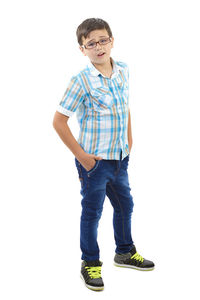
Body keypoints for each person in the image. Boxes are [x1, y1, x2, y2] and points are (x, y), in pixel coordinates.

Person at [53, 18, 154, 292]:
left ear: (112, 40)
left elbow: (125, 106)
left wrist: (129, 140)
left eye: (103, 40)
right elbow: (59, 121)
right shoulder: (81, 80)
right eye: (91, 43)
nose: (99, 47)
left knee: (125, 206)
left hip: (121, 158)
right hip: (94, 163)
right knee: (92, 212)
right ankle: (90, 262)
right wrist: (83, 157)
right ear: (82, 48)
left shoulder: (123, 70)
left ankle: (124, 252)